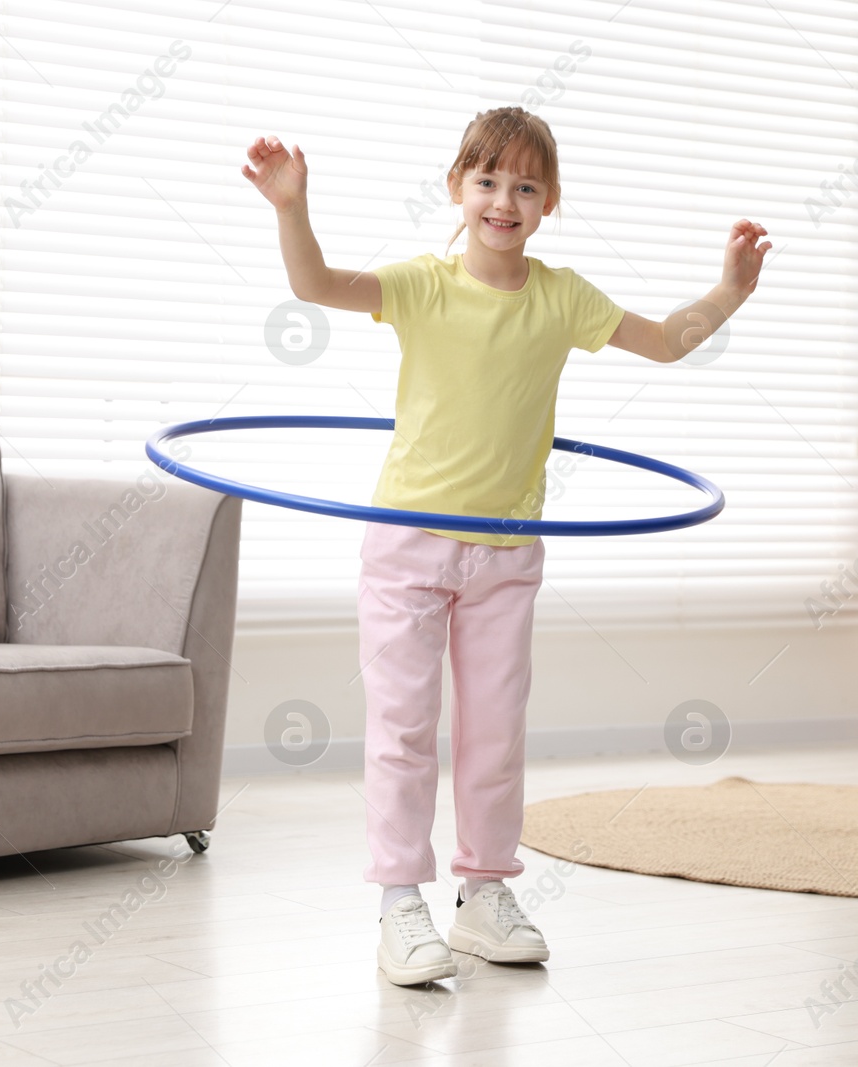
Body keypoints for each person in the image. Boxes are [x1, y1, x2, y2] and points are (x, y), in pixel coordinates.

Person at [242, 106, 770, 986]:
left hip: (506, 554)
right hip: (409, 541)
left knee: (494, 732)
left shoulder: (563, 297)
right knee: (404, 729)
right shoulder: (422, 284)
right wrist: (290, 206)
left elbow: (667, 345)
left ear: (549, 201)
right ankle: (400, 903)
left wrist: (730, 290)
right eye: (487, 180)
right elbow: (317, 287)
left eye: (526, 184)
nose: (504, 199)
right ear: (457, 187)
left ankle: (483, 893)